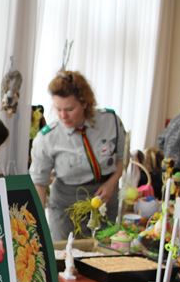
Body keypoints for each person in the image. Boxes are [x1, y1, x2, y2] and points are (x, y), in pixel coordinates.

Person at [29, 70, 126, 241]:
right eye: (58, 109)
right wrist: (37, 227)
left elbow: (121, 160)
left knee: (103, 251)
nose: (63, 116)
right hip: (66, 206)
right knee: (66, 252)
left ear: (85, 103)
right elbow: (39, 184)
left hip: (105, 199)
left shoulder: (111, 121)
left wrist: (111, 183)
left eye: (69, 109)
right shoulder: (47, 138)